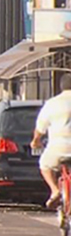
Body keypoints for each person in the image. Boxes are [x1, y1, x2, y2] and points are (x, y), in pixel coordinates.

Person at [32, 73, 71, 209]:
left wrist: (36, 141)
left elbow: (40, 129)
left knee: (44, 165)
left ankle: (54, 190)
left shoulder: (52, 103)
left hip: (58, 149)